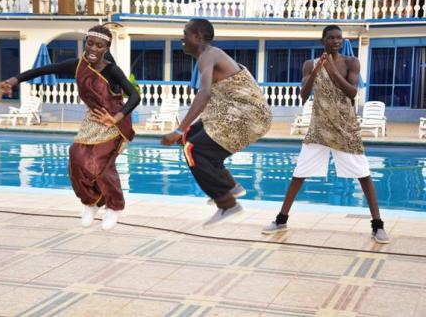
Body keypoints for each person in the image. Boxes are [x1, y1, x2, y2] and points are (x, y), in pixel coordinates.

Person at [1, 25, 141, 230]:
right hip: (93, 119)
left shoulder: (112, 70)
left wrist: (116, 117)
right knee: (76, 157)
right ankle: (90, 202)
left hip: (115, 121)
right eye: (90, 43)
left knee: (101, 165)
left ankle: (114, 206)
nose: (93, 48)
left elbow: (135, 96)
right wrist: (14, 80)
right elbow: (45, 69)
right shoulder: (78, 65)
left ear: (106, 48)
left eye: (99, 45)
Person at [262, 25, 390, 244]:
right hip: (319, 127)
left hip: (345, 127)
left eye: (339, 38)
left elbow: (352, 92)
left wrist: (331, 70)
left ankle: (377, 226)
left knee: (364, 175)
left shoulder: (352, 62)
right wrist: (317, 70)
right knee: (299, 173)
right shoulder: (310, 64)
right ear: (323, 41)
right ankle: (281, 219)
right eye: (331, 38)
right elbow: (303, 95)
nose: (335, 41)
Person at [161, 18, 272, 227]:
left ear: (197, 37)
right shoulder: (211, 55)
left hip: (247, 116)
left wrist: (179, 128)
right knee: (190, 139)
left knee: (193, 149)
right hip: (234, 113)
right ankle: (230, 186)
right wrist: (183, 131)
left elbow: (204, 94)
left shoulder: (208, 56)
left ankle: (227, 203)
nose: (181, 38)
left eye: (185, 33)